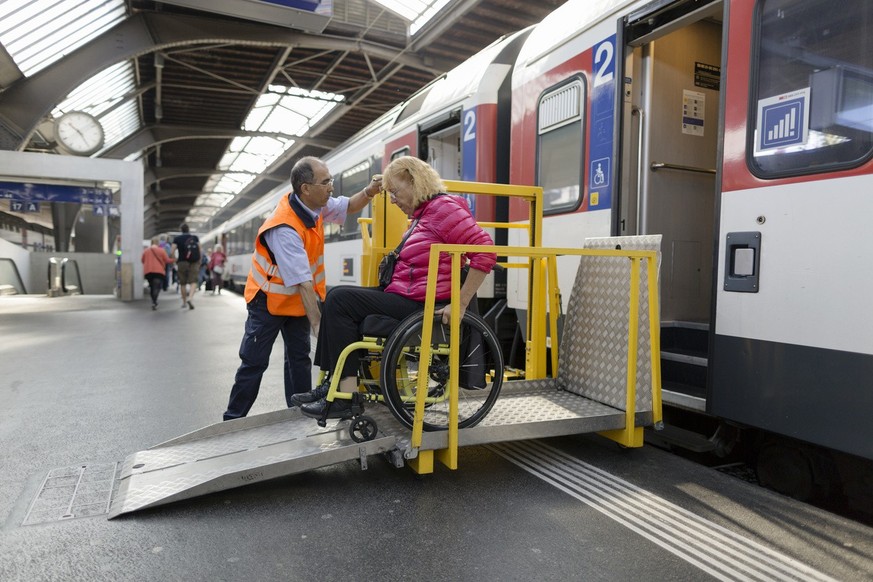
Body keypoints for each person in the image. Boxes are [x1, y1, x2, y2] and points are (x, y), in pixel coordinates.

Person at [295, 156, 496, 419]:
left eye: (395, 192)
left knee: (340, 299)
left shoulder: (444, 209)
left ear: (415, 182)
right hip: (406, 296)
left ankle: (344, 396)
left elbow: (485, 251)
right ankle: (335, 388)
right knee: (337, 300)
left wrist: (460, 304)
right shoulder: (423, 214)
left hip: (420, 304)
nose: (392, 200)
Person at [222, 156, 383, 421]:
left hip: (294, 301)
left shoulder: (316, 206)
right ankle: (233, 420)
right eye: (326, 182)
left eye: (331, 180)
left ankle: (298, 415)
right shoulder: (284, 227)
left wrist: (369, 191)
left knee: (299, 359)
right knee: (254, 362)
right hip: (267, 301)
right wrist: (319, 326)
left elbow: (350, 206)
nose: (331, 187)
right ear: (305, 188)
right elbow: (303, 282)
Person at [171, 223, 201, 310]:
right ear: (188, 229)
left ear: (181, 230)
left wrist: (175, 260)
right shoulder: (194, 238)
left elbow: (172, 251)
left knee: (182, 283)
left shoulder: (177, 239)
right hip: (194, 262)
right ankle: (190, 298)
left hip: (182, 262)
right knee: (193, 281)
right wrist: (199, 261)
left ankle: (184, 302)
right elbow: (199, 249)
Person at [142, 237, 174, 310]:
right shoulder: (161, 250)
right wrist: (174, 260)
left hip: (148, 271)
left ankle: (153, 301)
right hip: (158, 271)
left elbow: (142, 260)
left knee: (152, 286)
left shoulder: (146, 251)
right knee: (157, 286)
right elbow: (167, 260)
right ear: (158, 243)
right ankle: (154, 301)